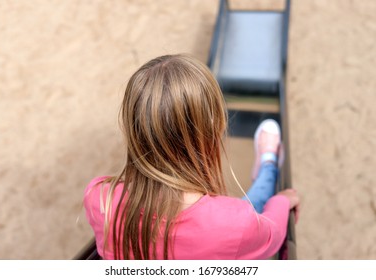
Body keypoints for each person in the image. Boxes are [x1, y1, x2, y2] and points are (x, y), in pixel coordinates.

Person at [83, 54, 300, 260]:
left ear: (134, 130)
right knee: (254, 210)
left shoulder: (100, 199)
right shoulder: (233, 222)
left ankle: (267, 165)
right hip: (231, 229)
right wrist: (283, 201)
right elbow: (274, 234)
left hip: (226, 227)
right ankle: (268, 164)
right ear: (216, 128)